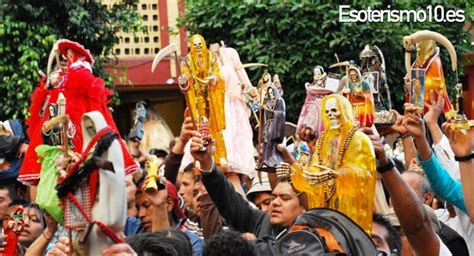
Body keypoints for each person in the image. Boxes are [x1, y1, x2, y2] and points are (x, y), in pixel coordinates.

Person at [19, 39, 138, 187]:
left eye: (69, 55)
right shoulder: (56, 85)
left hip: (82, 143)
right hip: (57, 142)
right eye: (63, 56)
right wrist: (50, 85)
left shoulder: (81, 78)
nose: (65, 59)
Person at [188, 134, 306, 254]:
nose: (275, 203)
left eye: (285, 198)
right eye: (274, 197)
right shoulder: (263, 221)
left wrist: (247, 245)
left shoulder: (310, 235)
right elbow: (228, 200)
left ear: (303, 206)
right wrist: (207, 163)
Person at [281, 94, 376, 234]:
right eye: (327, 112)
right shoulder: (322, 141)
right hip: (325, 213)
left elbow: (365, 173)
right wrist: (296, 172)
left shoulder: (359, 139)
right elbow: (315, 169)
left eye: (334, 110)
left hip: (350, 213)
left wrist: (338, 175)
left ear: (344, 111)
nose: (330, 115)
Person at [179, 34, 227, 168]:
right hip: (197, 100)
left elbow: (219, 75)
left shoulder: (211, 57)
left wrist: (214, 79)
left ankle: (220, 155)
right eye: (195, 45)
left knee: (214, 128)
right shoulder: (188, 61)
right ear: (191, 47)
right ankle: (201, 158)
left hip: (211, 97)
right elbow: (186, 81)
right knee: (201, 128)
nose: (198, 47)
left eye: (200, 44)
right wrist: (184, 81)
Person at [296, 66, 333, 141]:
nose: (317, 74)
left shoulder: (328, 86)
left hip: (324, 107)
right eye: (315, 72)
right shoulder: (311, 87)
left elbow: (330, 93)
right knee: (307, 127)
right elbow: (308, 99)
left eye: (318, 72)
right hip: (313, 109)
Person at [259, 86, 286, 171]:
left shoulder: (279, 101)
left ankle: (273, 160)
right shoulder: (268, 102)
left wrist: (271, 112)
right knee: (266, 142)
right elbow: (262, 111)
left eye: (272, 92)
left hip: (274, 125)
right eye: (269, 93)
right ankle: (265, 160)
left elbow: (281, 113)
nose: (271, 94)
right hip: (268, 124)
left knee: (271, 142)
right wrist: (262, 109)